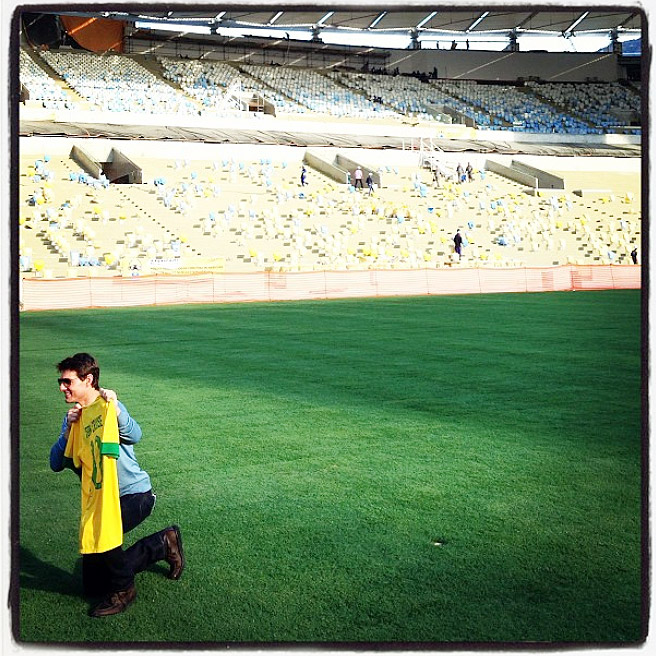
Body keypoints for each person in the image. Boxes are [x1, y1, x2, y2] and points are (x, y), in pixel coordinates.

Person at [50, 352, 185, 617]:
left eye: (67, 381)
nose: (62, 387)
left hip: (134, 495)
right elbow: (56, 463)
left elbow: (136, 434)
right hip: (101, 500)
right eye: (61, 381)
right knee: (93, 585)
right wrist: (67, 430)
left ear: (88, 380)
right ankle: (163, 543)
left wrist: (117, 406)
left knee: (104, 537)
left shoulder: (108, 406)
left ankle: (124, 591)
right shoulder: (75, 417)